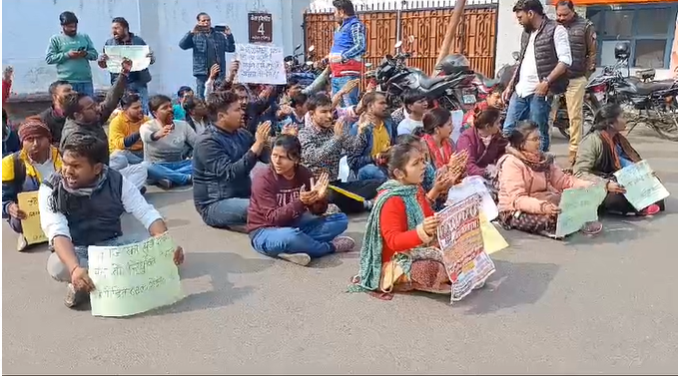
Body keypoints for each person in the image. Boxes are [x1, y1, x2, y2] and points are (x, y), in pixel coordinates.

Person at [38, 132, 184, 309]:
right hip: (79, 251)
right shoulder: (50, 188)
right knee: (58, 266)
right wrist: (75, 268)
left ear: (97, 168)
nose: (67, 171)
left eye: (76, 166)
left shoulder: (116, 180)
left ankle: (93, 284)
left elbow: (146, 212)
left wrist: (165, 242)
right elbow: (57, 231)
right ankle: (87, 277)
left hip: (114, 244)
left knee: (159, 249)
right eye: (65, 164)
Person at [349, 142, 458, 296]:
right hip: (396, 258)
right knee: (432, 268)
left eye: (423, 160)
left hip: (416, 248)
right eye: (416, 163)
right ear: (399, 173)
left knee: (458, 248)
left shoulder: (414, 188)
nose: (423, 166)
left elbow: (427, 214)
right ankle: (393, 277)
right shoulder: (391, 199)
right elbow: (394, 241)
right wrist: (422, 231)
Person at [248, 135, 355, 266]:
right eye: (274, 155)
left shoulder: (303, 173)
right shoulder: (263, 178)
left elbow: (318, 211)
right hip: (265, 231)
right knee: (291, 236)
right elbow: (273, 218)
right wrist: (300, 202)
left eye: (283, 157)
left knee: (340, 220)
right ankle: (327, 247)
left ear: (296, 159)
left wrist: (319, 199)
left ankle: (294, 249)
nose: (277, 161)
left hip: (295, 224)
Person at [497, 120, 613, 238]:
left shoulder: (543, 160)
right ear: (521, 144)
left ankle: (568, 225)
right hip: (514, 209)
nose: (539, 143)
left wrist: (593, 186)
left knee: (578, 202)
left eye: (540, 138)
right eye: (534, 139)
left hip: (546, 201)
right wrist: (543, 207)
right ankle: (560, 227)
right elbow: (518, 199)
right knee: (554, 218)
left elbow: (564, 181)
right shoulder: (511, 163)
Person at [60, 59, 148, 190]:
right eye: (91, 107)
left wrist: (123, 74)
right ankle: (120, 193)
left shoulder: (89, 118)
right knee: (136, 169)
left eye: (95, 105)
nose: (97, 109)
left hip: (102, 170)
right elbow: (83, 174)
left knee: (132, 165)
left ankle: (123, 190)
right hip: (91, 180)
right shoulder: (75, 138)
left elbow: (109, 102)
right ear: (78, 115)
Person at [193, 91, 271, 231]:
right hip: (216, 203)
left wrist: (281, 144)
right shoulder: (207, 142)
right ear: (221, 116)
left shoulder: (242, 133)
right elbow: (230, 174)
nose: (242, 112)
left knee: (283, 197)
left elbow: (266, 159)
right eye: (237, 110)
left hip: (244, 195)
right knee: (264, 209)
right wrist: (257, 145)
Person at [502, 0, 571, 153]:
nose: (518, 21)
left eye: (520, 17)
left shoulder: (556, 30)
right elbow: (522, 61)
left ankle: (541, 168)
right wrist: (510, 86)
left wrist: (546, 83)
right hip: (520, 91)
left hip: (540, 93)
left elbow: (565, 61)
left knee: (537, 135)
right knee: (508, 131)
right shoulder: (526, 33)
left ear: (531, 13)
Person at [573, 104, 664, 216]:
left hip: (621, 178)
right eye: (622, 117)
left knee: (655, 183)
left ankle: (641, 204)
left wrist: (644, 172)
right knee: (616, 199)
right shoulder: (592, 142)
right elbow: (580, 173)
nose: (626, 120)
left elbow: (632, 160)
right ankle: (641, 205)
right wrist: (605, 184)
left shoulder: (619, 139)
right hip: (602, 182)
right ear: (611, 123)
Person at [299, 93, 380, 214]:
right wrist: (336, 138)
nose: (329, 116)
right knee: (332, 196)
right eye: (324, 112)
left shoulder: (335, 130)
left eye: (331, 111)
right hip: (317, 187)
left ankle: (358, 203)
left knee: (378, 185)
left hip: (337, 184)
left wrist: (361, 131)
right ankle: (364, 204)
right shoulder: (305, 134)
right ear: (311, 114)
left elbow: (355, 149)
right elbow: (314, 157)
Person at [2, 118, 61, 251]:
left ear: (48, 138)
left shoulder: (64, 156)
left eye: (40, 138)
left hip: (60, 208)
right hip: (30, 216)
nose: (35, 144)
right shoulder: (10, 163)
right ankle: (28, 235)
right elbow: (3, 199)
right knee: (17, 221)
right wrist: (9, 207)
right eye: (30, 139)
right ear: (22, 142)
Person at [555, 0, 597, 165]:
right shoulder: (554, 26)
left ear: (573, 11)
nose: (561, 18)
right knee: (546, 115)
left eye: (565, 14)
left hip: (575, 78)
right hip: (555, 79)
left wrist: (586, 75)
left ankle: (574, 153)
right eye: (558, 14)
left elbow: (592, 53)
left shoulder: (586, 26)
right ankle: (541, 151)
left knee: (575, 117)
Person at [98, 17, 156, 114]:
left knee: (142, 110)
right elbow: (104, 65)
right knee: (123, 112)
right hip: (120, 83)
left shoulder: (138, 41)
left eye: (117, 28)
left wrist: (150, 57)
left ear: (125, 29)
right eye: (112, 28)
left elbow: (150, 60)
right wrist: (101, 60)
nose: (114, 31)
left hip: (138, 81)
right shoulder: (109, 43)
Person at [140, 95, 197, 189]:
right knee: (145, 166)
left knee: (201, 162)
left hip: (179, 164)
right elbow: (146, 137)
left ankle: (169, 178)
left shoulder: (183, 126)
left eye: (171, 106)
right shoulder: (147, 126)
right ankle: (186, 178)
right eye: (165, 108)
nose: (170, 109)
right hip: (157, 167)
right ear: (155, 113)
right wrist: (157, 134)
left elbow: (198, 144)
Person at [179, 12, 235, 99]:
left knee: (220, 96)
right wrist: (191, 33)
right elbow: (182, 45)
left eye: (208, 20)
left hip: (218, 71)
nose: (206, 22)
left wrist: (229, 36)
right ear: (198, 22)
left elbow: (231, 49)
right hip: (202, 72)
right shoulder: (195, 36)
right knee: (202, 97)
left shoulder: (219, 35)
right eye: (203, 20)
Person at [45, 11, 98, 97]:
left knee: (88, 107)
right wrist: (68, 55)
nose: (73, 29)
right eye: (70, 27)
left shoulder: (84, 37)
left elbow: (94, 55)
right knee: (69, 108)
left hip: (85, 80)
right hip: (66, 82)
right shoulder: (56, 39)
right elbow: (49, 59)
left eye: (75, 26)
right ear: (63, 26)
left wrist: (85, 54)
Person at [348, 91, 396, 182]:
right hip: (365, 177)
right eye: (382, 103)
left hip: (386, 168)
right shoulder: (359, 129)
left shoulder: (388, 123)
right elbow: (352, 162)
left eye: (386, 103)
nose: (386, 106)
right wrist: (374, 157)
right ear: (370, 106)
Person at [329, 0, 366, 107]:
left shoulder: (355, 25)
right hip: (336, 73)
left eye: (335, 11)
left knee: (348, 107)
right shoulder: (340, 27)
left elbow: (360, 45)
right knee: (336, 108)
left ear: (341, 11)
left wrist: (343, 56)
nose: (334, 14)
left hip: (347, 74)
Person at [456, 107, 508, 178]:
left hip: (490, 175)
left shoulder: (496, 136)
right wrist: (486, 172)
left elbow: (504, 150)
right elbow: (468, 166)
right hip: (470, 178)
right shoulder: (466, 139)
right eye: (497, 123)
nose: (500, 126)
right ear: (488, 126)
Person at [108, 93, 149, 169]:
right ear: (125, 109)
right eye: (136, 108)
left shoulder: (146, 120)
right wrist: (141, 131)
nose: (141, 110)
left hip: (142, 153)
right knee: (121, 156)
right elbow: (120, 145)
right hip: (125, 154)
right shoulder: (117, 122)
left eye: (141, 106)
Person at [39, 80, 72, 145]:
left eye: (71, 90)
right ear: (55, 96)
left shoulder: (78, 112)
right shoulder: (44, 119)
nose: (72, 93)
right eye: (67, 91)